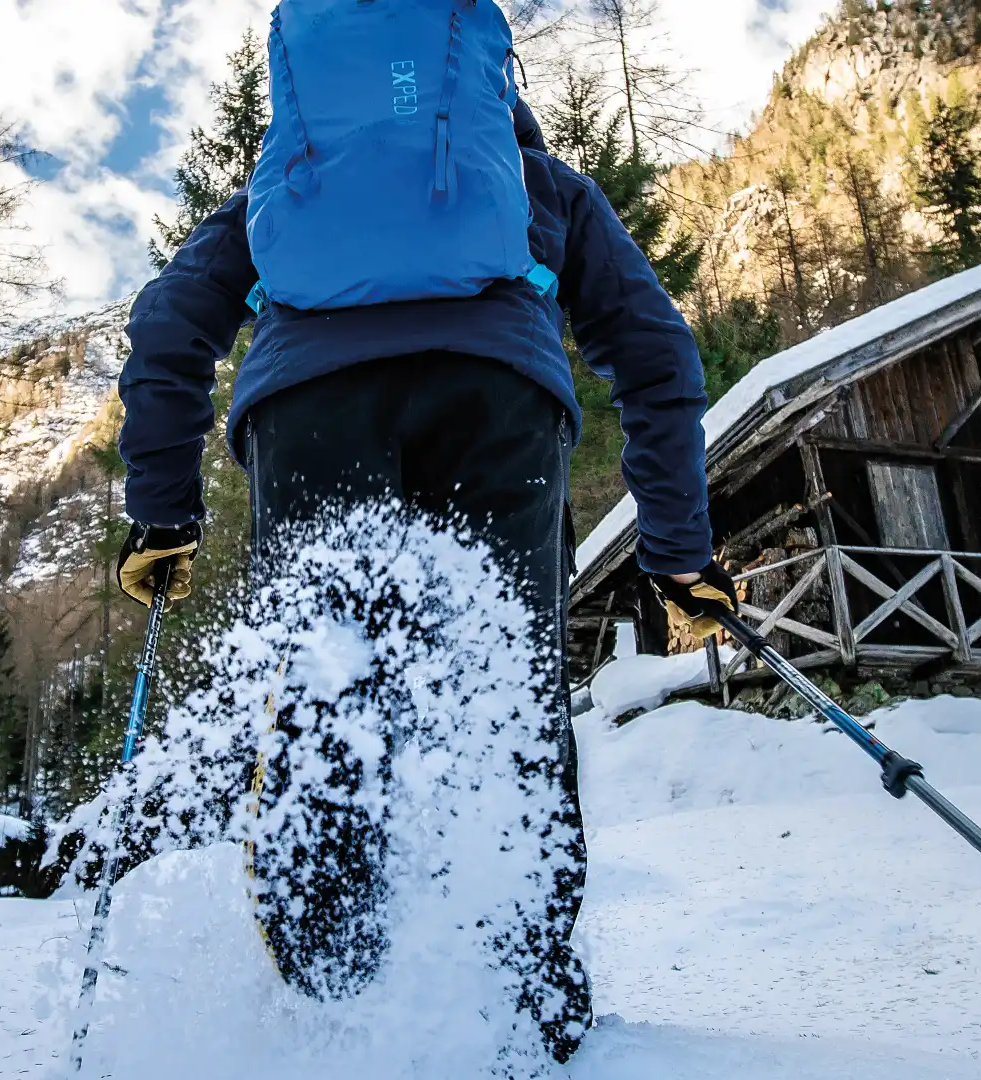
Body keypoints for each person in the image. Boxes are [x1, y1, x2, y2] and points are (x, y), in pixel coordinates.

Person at [109, 3, 738, 1064]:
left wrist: (163, 514)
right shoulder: (544, 189)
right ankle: (525, 1007)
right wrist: (679, 552)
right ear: (488, 96)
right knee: (505, 703)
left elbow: (169, 328)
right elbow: (658, 358)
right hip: (499, 408)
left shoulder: (285, 192)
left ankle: (328, 1008)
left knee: (325, 699)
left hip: (310, 416)